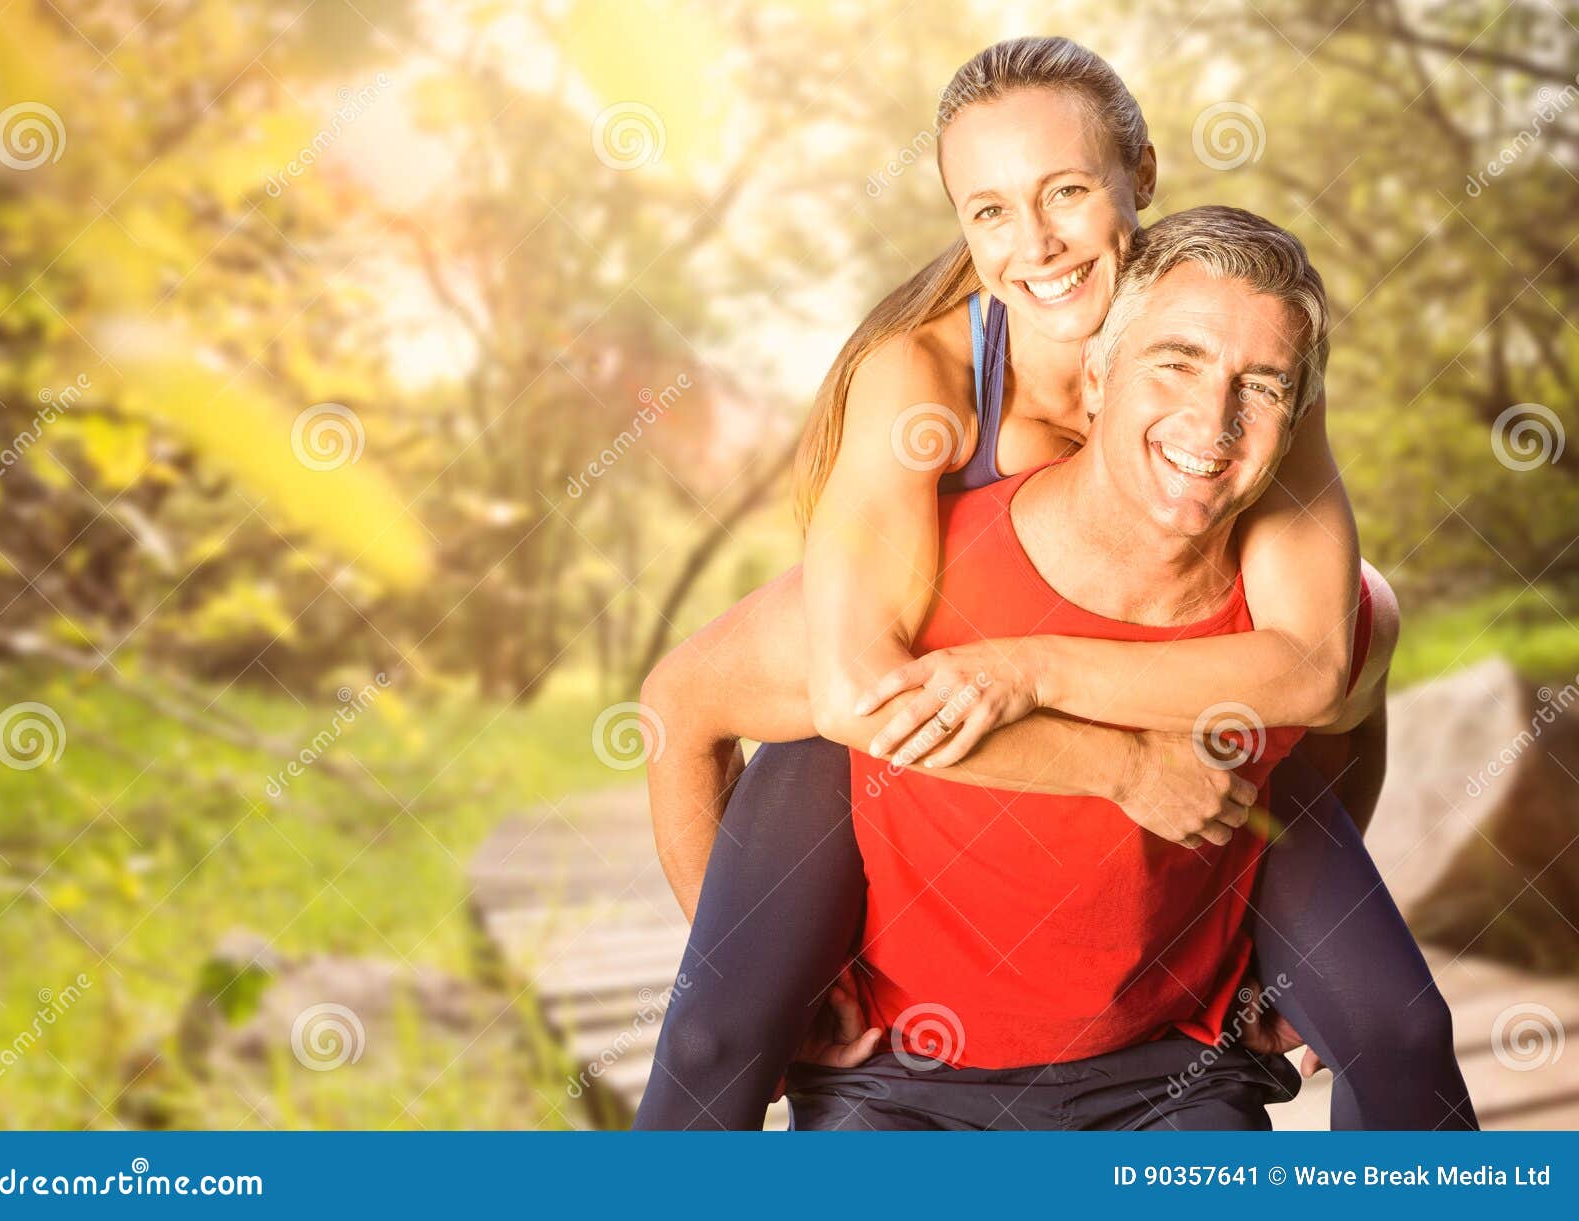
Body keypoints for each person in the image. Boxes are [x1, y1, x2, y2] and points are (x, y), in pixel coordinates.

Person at [632, 37, 1475, 1132]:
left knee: (1396, 1011)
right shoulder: (924, 380)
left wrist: (1263, 940)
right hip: (909, 710)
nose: (1034, 243)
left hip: (1152, 694)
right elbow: (849, 693)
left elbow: (1318, 663)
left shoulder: (1232, 339)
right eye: (988, 211)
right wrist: (1114, 766)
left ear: (1143, 175)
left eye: (1067, 191)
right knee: (715, 1034)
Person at [788, 205, 1373, 1128]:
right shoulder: (911, 556)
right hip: (904, 1056)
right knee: (714, 1035)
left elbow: (1332, 694)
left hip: (1158, 1061)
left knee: (1401, 1025)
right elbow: (691, 699)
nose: (1211, 419)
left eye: (1260, 386)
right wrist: (790, 983)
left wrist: (1290, 951)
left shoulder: (1285, 578)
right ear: (1096, 378)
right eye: (1175, 363)